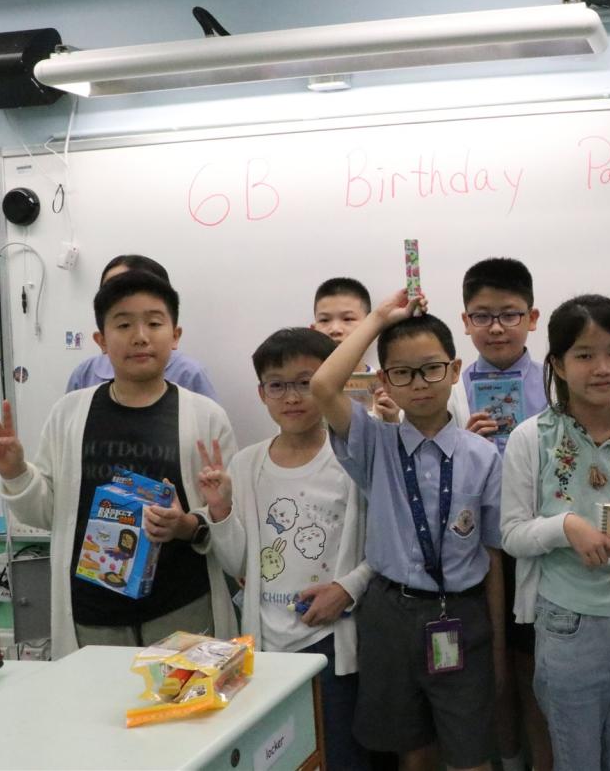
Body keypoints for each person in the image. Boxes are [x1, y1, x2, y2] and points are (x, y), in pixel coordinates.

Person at [0, 270, 237, 657]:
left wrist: (186, 525)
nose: (140, 336)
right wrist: (15, 472)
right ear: (101, 340)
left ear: (175, 335)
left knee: (188, 697)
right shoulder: (69, 414)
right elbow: (48, 514)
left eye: (154, 323)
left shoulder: (205, 417)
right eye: (123, 324)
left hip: (182, 608)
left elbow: (226, 520)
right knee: (99, 698)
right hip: (92, 616)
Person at [311, 290, 503, 771]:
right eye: (402, 373)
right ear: (385, 381)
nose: (419, 384)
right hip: (390, 612)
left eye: (431, 369)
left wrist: (498, 646)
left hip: (462, 611)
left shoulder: (483, 456)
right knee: (411, 750)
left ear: (455, 371)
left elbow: (493, 553)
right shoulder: (374, 443)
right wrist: (379, 317)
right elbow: (323, 386)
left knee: (472, 751)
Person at [500, 294, 610, 771]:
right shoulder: (531, 438)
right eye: (584, 355)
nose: (602, 368)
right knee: (577, 760)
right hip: (568, 622)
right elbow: (512, 533)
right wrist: (566, 526)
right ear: (558, 364)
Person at [195, 327, 373, 771]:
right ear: (262, 393)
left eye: (305, 382)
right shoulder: (247, 463)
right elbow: (238, 564)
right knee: (281, 756)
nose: (292, 397)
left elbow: (383, 547)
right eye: (277, 385)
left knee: (340, 754)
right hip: (266, 644)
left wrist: (347, 589)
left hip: (330, 640)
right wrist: (219, 511)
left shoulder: (351, 459)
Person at [457, 256, 552, 771]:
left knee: (533, 667)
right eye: (483, 316)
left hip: (536, 547)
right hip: (473, 550)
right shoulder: (448, 387)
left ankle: (540, 761)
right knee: (487, 669)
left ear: (532, 318)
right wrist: (462, 444)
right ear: (465, 320)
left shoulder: (556, 383)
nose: (496, 328)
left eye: (510, 314)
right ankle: (507, 760)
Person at [66, 255, 218, 399]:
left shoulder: (189, 374)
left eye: (154, 323)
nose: (140, 337)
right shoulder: (84, 373)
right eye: (113, 288)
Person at [312, 276, 400, 422]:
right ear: (313, 328)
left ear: (369, 326)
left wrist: (391, 420)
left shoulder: (387, 387)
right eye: (324, 320)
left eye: (348, 319)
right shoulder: (299, 389)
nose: (335, 329)